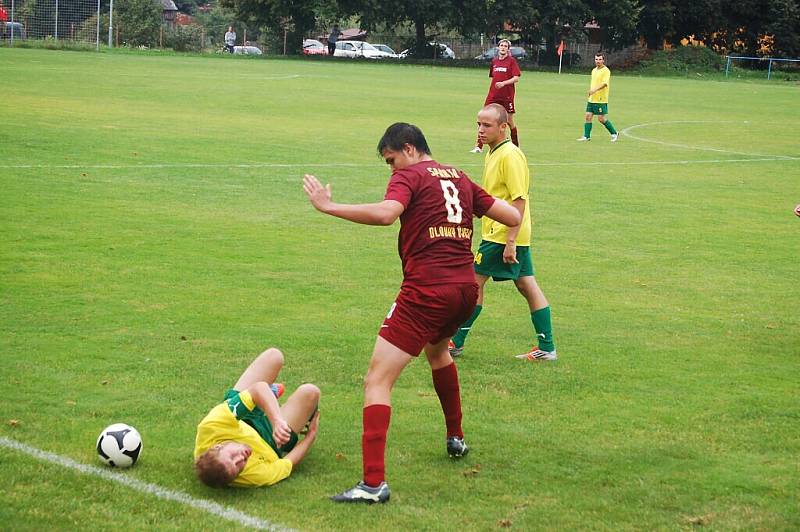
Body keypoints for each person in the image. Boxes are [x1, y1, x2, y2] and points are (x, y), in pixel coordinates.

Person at [302, 123, 520, 504]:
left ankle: (373, 484)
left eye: (391, 161)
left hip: (426, 292)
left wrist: (329, 206)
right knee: (438, 354)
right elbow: (510, 216)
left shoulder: (411, 175)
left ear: (408, 148)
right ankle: (456, 437)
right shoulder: (459, 176)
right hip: (465, 291)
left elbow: (388, 214)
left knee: (376, 380)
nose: (392, 170)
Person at [450, 104, 557, 362]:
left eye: (486, 125)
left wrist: (510, 240)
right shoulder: (493, 152)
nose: (480, 130)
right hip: (502, 230)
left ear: (503, 127)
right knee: (526, 283)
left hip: (503, 233)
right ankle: (547, 347)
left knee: (474, 283)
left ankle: (455, 342)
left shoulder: (510, 155)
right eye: (478, 124)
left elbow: (519, 200)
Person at [194, 347, 320, 488]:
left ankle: (266, 400)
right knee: (311, 392)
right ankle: (268, 399)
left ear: (217, 446)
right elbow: (288, 463)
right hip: (270, 440)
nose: (241, 458)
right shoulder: (254, 477)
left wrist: (277, 421)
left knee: (274, 356)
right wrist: (311, 436)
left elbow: (258, 388)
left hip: (241, 418)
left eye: (232, 457)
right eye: (237, 467)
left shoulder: (212, 426)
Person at [472, 39, 521, 153]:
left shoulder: (511, 61)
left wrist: (504, 83)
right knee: (484, 117)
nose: (503, 47)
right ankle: (478, 147)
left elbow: (516, 78)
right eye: (501, 45)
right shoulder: (494, 61)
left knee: (509, 120)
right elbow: (493, 77)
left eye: (505, 46)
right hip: (493, 95)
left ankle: (516, 145)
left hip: (507, 96)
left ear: (508, 49)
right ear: (498, 47)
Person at [577, 52, 619, 142]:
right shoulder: (594, 70)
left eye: (600, 59)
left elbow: (604, 84)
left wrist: (594, 90)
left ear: (603, 60)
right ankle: (586, 136)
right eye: (596, 59)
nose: (598, 61)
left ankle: (614, 133)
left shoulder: (606, 71)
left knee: (601, 119)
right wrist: (591, 91)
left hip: (601, 99)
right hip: (592, 98)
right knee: (588, 116)